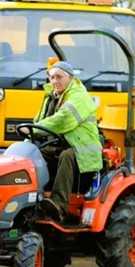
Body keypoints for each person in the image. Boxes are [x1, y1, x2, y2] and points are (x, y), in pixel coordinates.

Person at [25, 61, 103, 222]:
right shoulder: (50, 97)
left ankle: (58, 205)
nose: (55, 81)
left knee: (67, 156)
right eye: (52, 77)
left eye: (59, 77)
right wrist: (27, 142)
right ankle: (29, 199)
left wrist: (35, 128)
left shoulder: (79, 96)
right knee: (29, 156)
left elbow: (63, 120)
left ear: (70, 78)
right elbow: (38, 122)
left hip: (82, 149)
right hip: (58, 145)